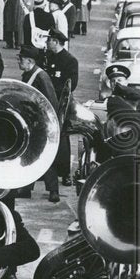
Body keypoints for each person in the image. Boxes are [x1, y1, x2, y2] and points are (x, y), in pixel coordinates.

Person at [15, 45, 61, 202]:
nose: (18, 62)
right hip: (30, 122)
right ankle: (27, 188)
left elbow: (51, 102)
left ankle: (53, 190)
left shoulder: (41, 76)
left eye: (20, 59)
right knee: (29, 155)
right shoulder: (28, 74)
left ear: (30, 61)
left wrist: (49, 124)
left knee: (44, 158)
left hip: (41, 124)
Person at [44, 29, 78, 187]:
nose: (46, 43)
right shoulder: (47, 57)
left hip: (61, 104)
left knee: (62, 138)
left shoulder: (70, 60)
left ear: (56, 42)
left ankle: (65, 173)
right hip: (47, 102)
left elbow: (71, 85)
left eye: (49, 40)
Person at [103, 64, 140, 157]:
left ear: (126, 82)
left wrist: (120, 87)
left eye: (119, 80)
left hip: (132, 142)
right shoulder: (112, 99)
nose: (115, 83)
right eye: (113, 81)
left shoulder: (135, 97)